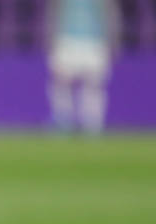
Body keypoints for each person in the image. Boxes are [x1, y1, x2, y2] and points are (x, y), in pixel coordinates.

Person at [46, 0, 119, 134]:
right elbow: (54, 14)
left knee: (94, 85)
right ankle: (63, 121)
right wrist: (51, 39)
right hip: (67, 40)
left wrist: (112, 41)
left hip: (94, 42)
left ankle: (92, 124)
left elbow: (109, 15)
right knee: (60, 82)